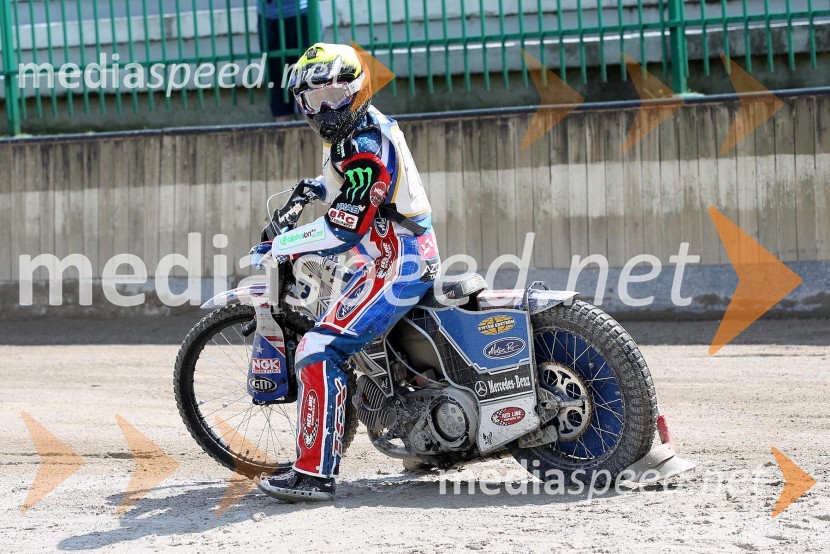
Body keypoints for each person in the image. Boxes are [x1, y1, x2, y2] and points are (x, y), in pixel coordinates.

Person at [254, 43, 441, 502]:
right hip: (392, 255)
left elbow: (343, 228)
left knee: (318, 347)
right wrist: (313, 188)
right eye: (313, 99)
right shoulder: (356, 132)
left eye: (334, 96)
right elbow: (351, 185)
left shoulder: (364, 145)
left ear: (358, 89)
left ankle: (314, 475)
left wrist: (283, 244)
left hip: (396, 262)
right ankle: (423, 439)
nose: (324, 109)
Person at [257, 0, 310, 121]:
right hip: (269, 15)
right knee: (277, 81)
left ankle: (309, 126)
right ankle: (284, 126)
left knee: (309, 79)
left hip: (304, 11)